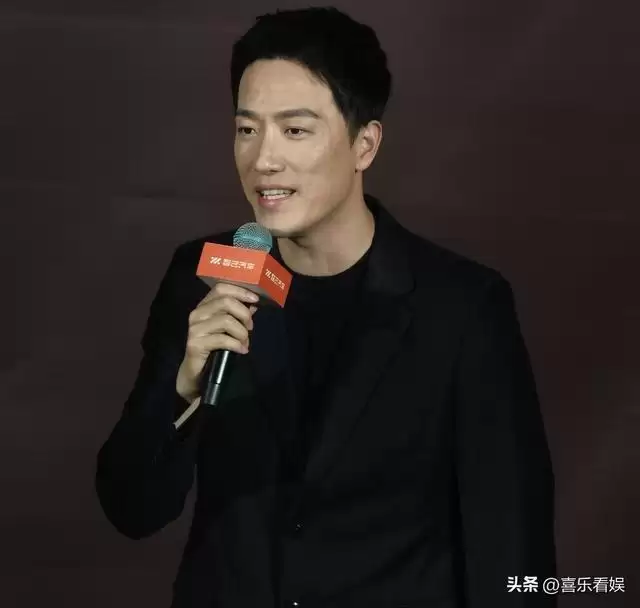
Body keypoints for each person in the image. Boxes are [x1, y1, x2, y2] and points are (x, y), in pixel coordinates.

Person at [95, 6, 556, 608]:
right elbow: (130, 508)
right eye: (247, 130)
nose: (264, 160)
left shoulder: (462, 309)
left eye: (295, 130)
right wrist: (181, 391)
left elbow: (512, 551)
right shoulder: (202, 277)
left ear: (365, 144)